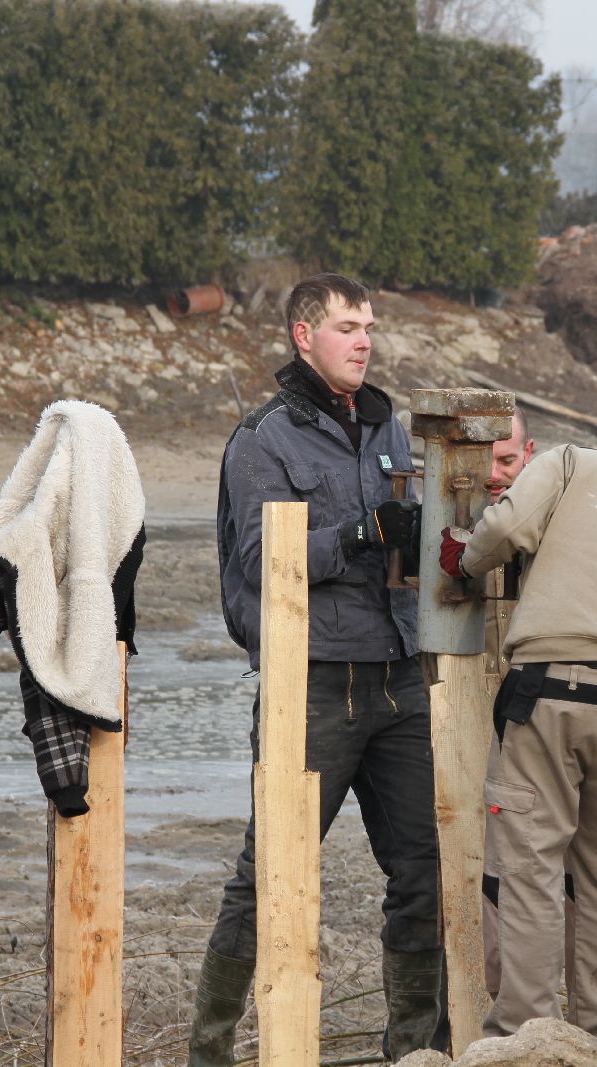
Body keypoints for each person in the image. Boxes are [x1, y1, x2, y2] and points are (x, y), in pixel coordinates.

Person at [194, 272, 441, 1065]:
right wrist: (362, 532)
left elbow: (407, 547)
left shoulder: (389, 426)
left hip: (399, 673)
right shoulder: (263, 439)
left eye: (368, 327)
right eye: (346, 327)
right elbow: (262, 559)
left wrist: (417, 535)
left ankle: (416, 1049)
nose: (364, 341)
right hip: (312, 683)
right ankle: (210, 1052)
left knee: (426, 867)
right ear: (304, 336)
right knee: (271, 870)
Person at [440, 445, 597, 1044]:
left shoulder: (571, 462)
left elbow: (506, 527)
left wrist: (463, 559)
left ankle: (526, 1030)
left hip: (551, 692)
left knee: (530, 866)